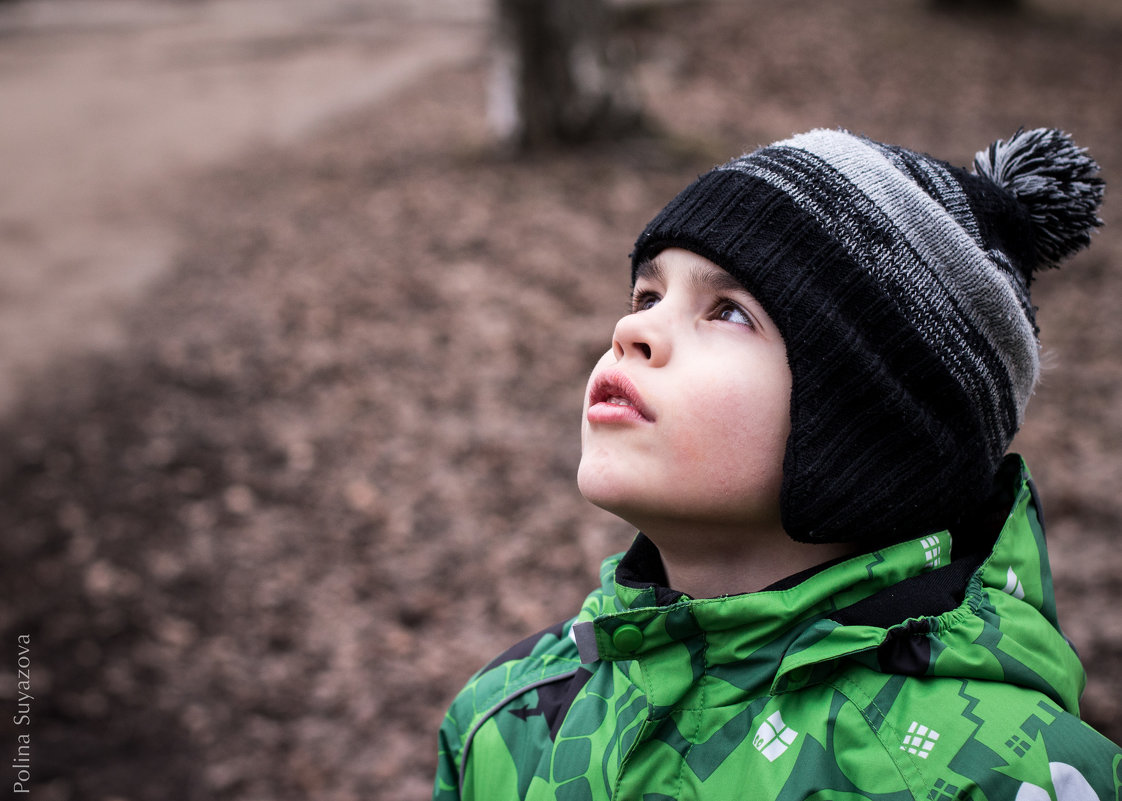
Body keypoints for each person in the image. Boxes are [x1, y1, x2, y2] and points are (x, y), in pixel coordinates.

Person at [431, 127, 1120, 800]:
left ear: (867, 426)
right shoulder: (504, 724)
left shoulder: (1001, 772)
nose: (631, 330)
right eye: (648, 296)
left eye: (728, 312)